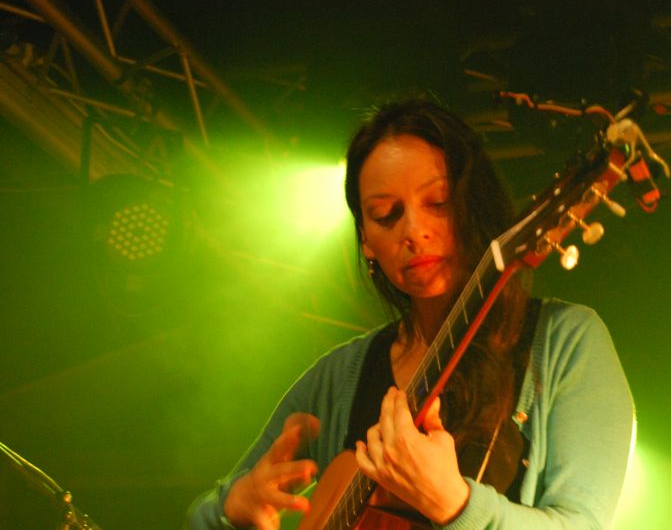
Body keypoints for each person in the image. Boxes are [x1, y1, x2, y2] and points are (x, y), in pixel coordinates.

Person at [186, 99, 634, 529]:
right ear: (365, 240)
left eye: (437, 203)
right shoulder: (337, 377)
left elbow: (584, 523)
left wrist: (454, 504)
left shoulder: (566, 341)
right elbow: (201, 515)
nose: (414, 231)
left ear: (472, 206)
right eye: (385, 214)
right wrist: (230, 507)